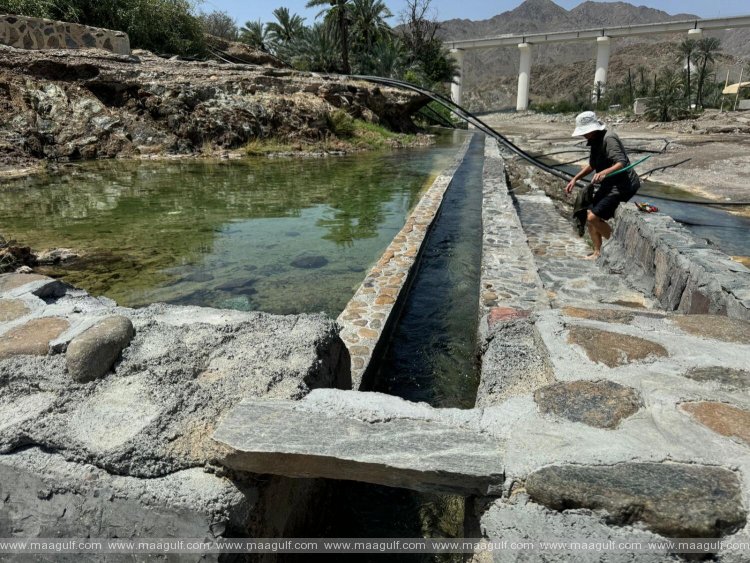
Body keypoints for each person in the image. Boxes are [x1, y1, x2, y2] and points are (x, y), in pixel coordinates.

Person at [564, 111, 640, 260]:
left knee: (593, 217)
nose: (583, 135)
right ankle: (597, 252)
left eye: (585, 132)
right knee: (589, 214)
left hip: (623, 184)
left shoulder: (609, 138)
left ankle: (618, 248)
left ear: (593, 129)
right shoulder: (594, 140)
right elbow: (592, 165)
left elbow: (621, 162)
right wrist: (575, 178)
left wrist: (605, 172)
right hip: (609, 183)